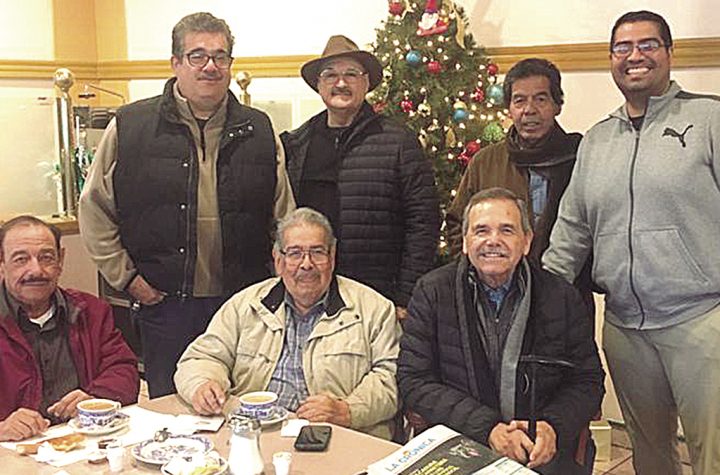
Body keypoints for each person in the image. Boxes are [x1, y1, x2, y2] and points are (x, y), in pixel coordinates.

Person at [79, 12, 295, 398]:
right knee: (173, 411)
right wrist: (128, 280)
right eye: (197, 55)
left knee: (243, 405)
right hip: (164, 305)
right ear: (175, 63)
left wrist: (278, 284)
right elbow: (94, 209)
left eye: (220, 56)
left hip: (244, 305)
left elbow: (285, 217)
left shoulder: (259, 130)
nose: (210, 66)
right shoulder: (131, 126)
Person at [543, 10, 720, 475]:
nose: (635, 55)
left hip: (701, 320)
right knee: (650, 455)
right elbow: (572, 230)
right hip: (624, 328)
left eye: (648, 44)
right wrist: (540, 297)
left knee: (713, 455)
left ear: (669, 53)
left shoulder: (709, 119)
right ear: (611, 59)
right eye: (623, 47)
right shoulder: (597, 140)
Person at [399, 189, 604, 474]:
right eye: (481, 230)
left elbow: (588, 380)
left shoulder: (561, 296)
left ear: (526, 241)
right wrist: (488, 429)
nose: (493, 240)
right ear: (466, 241)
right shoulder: (432, 292)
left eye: (507, 230)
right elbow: (414, 380)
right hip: (462, 442)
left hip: (540, 450)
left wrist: (552, 427)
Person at [175, 208, 401, 440]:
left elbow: (392, 378)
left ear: (332, 257)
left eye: (317, 252)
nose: (306, 264)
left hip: (340, 436)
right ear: (278, 260)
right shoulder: (245, 305)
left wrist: (348, 410)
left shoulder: (375, 309)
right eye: (295, 253)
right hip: (252, 434)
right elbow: (201, 358)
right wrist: (203, 384)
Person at [280, 35, 440, 319]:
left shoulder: (399, 142)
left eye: (351, 74)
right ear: (319, 84)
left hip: (379, 299)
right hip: (310, 295)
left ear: (367, 83)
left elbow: (423, 222)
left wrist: (406, 296)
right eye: (330, 75)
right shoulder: (297, 143)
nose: (340, 83)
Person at [445, 58, 593, 305]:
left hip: (566, 297)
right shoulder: (486, 161)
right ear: (509, 108)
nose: (529, 110)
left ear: (557, 105)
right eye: (519, 100)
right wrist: (482, 275)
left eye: (540, 99)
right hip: (495, 298)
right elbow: (457, 224)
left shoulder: (581, 157)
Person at [0, 216, 138, 442]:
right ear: (2, 265)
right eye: (21, 259)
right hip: (12, 449)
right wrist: (2, 428)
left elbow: (124, 370)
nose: (36, 270)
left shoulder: (90, 311)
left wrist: (95, 398)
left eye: (46, 258)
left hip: (81, 441)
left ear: (60, 260)